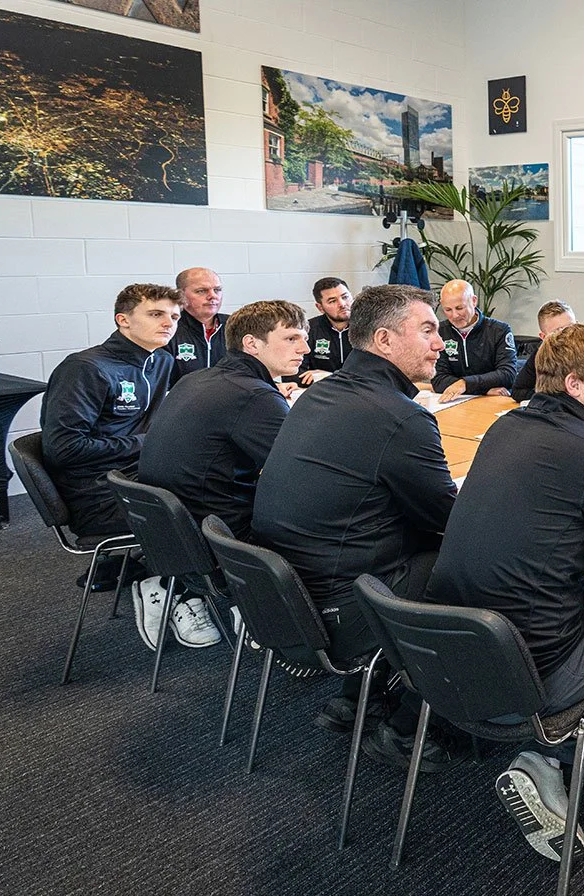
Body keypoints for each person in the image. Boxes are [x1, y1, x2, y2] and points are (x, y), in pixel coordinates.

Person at [426, 323, 584, 863]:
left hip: (449, 651)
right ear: (575, 384)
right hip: (533, 665)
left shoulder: (505, 425)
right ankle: (550, 760)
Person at [253, 284, 458, 757]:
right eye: (428, 330)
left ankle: (358, 698)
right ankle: (412, 728)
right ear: (384, 340)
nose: (440, 344)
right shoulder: (400, 417)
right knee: (478, 565)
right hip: (343, 609)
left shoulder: (321, 394)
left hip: (291, 596)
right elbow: (449, 519)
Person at [40, 283, 214, 648]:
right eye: (156, 314)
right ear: (123, 320)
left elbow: (152, 427)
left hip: (138, 478)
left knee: (225, 487)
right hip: (95, 495)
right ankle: (165, 585)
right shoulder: (85, 368)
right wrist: (147, 443)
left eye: (174, 316)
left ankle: (192, 583)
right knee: (208, 508)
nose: (168, 323)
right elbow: (63, 449)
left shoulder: (161, 360)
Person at [141, 300, 309, 541]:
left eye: (304, 339)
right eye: (292, 339)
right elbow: (305, 472)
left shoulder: (196, 378)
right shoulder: (254, 395)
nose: (305, 349)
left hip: (179, 529)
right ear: (251, 344)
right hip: (223, 534)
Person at [431, 279, 517, 399]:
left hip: (493, 401)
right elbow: (438, 380)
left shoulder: (499, 330)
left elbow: (507, 374)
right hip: (458, 401)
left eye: (460, 308)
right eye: (448, 310)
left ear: (474, 301)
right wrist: (483, 390)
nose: (454, 315)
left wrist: (465, 384)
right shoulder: (440, 332)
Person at [166, 267, 230, 382]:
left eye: (217, 290)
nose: (213, 296)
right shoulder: (168, 328)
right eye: (201, 291)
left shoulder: (235, 326)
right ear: (181, 295)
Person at [510, 300, 576, 402]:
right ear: (543, 337)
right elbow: (518, 392)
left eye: (571, 328)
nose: (567, 335)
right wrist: (550, 396)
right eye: (558, 331)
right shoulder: (541, 354)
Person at [296, 277, 353, 385]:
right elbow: (294, 374)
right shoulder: (307, 330)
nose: (342, 304)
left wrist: (330, 376)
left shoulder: (368, 328)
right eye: (332, 301)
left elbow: (374, 374)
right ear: (320, 308)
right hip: (320, 391)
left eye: (345, 297)